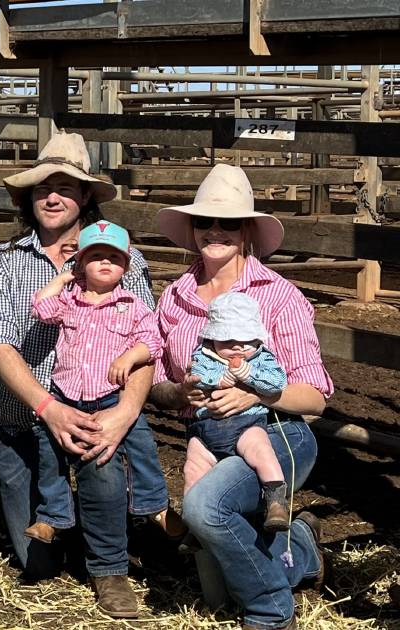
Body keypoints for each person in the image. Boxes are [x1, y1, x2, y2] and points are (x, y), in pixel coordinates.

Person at [0, 131, 179, 619]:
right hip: (27, 418)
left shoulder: (122, 260)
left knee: (103, 463)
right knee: (38, 564)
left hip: (98, 407)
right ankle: (74, 521)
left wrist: (126, 411)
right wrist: (48, 408)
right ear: (28, 196)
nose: (53, 197)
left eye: (66, 187)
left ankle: (110, 569)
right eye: (43, 187)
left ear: (85, 196)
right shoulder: (5, 262)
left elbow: (143, 342)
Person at [148, 163, 333, 630]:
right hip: (207, 437)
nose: (215, 231)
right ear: (191, 230)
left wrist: (256, 394)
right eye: (204, 221)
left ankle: (271, 611)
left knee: (204, 509)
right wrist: (178, 389)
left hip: (277, 433)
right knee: (216, 593)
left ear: (247, 231)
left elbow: (314, 398)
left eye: (228, 222)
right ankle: (303, 551)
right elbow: (157, 383)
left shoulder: (279, 296)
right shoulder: (175, 296)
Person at [24, 220, 163, 545]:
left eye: (114, 258)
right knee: (48, 450)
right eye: (96, 256)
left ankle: (153, 503)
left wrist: (129, 358)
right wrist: (61, 280)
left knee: (141, 443)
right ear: (81, 263)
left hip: (110, 396)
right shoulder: (69, 300)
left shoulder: (132, 306)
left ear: (125, 267)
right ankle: (53, 515)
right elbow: (40, 308)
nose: (105, 262)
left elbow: (152, 342)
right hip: (66, 393)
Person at [185, 292, 289, 531]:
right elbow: (196, 376)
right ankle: (192, 523)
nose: (237, 347)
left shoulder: (262, 358)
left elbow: (277, 383)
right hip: (206, 428)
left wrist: (249, 375)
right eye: (226, 340)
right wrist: (218, 378)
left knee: (262, 452)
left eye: (244, 339)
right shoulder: (203, 355)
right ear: (213, 339)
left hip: (246, 424)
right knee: (192, 468)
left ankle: (276, 502)